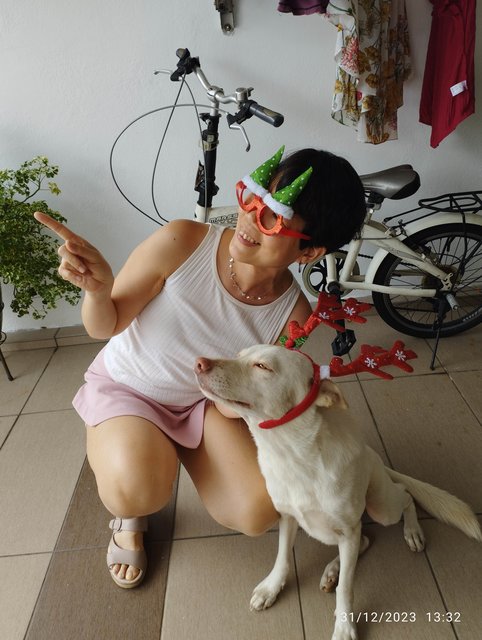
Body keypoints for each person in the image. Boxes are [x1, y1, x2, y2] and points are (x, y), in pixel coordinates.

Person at [34, 146, 366, 589]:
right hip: (129, 387)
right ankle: (129, 511)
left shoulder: (293, 318)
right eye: (253, 201)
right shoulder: (185, 240)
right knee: (137, 488)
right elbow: (106, 324)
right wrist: (97, 292)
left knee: (256, 511)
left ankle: (166, 448)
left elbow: (245, 399)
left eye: (273, 219)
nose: (249, 221)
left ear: (310, 252)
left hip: (204, 403)